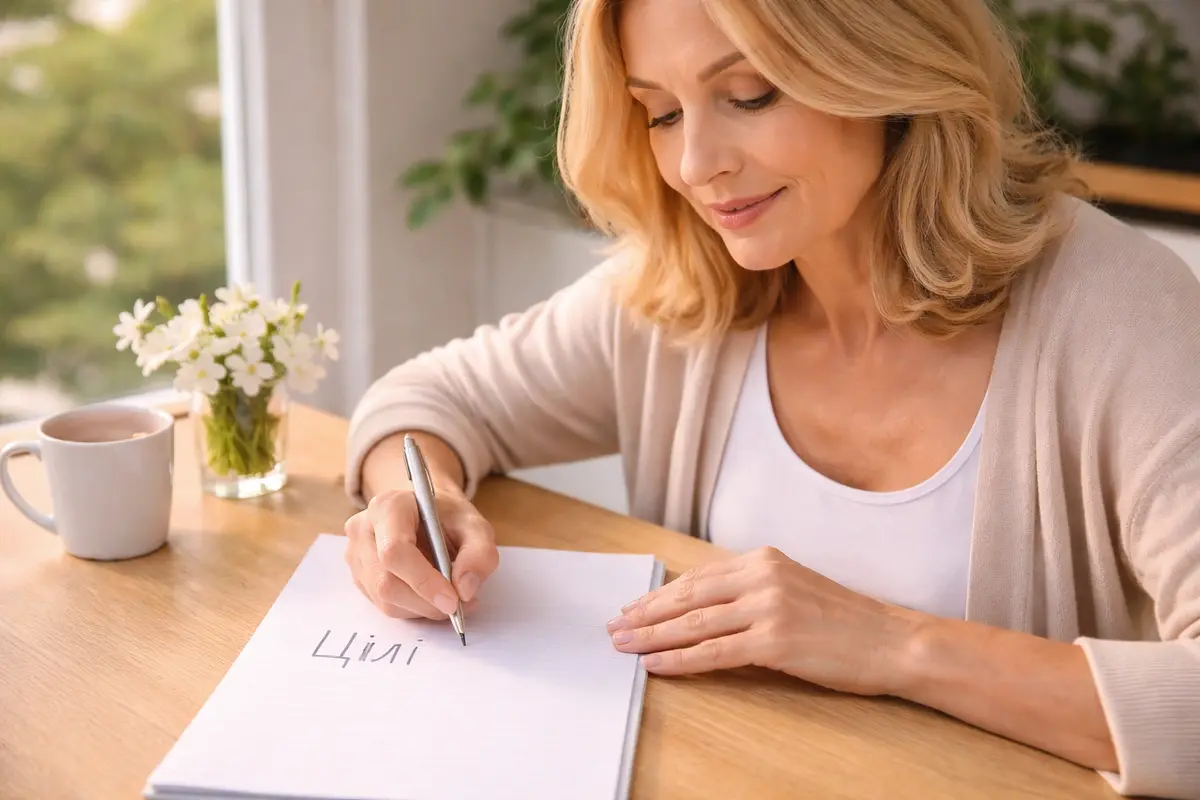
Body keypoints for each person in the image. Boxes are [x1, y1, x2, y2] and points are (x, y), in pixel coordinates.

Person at [342, 0, 1200, 796]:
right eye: (662, 113)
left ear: (883, 69)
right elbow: (429, 398)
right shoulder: (684, 294)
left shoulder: (1119, 311)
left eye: (749, 95)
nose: (695, 164)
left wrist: (892, 643)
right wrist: (414, 498)